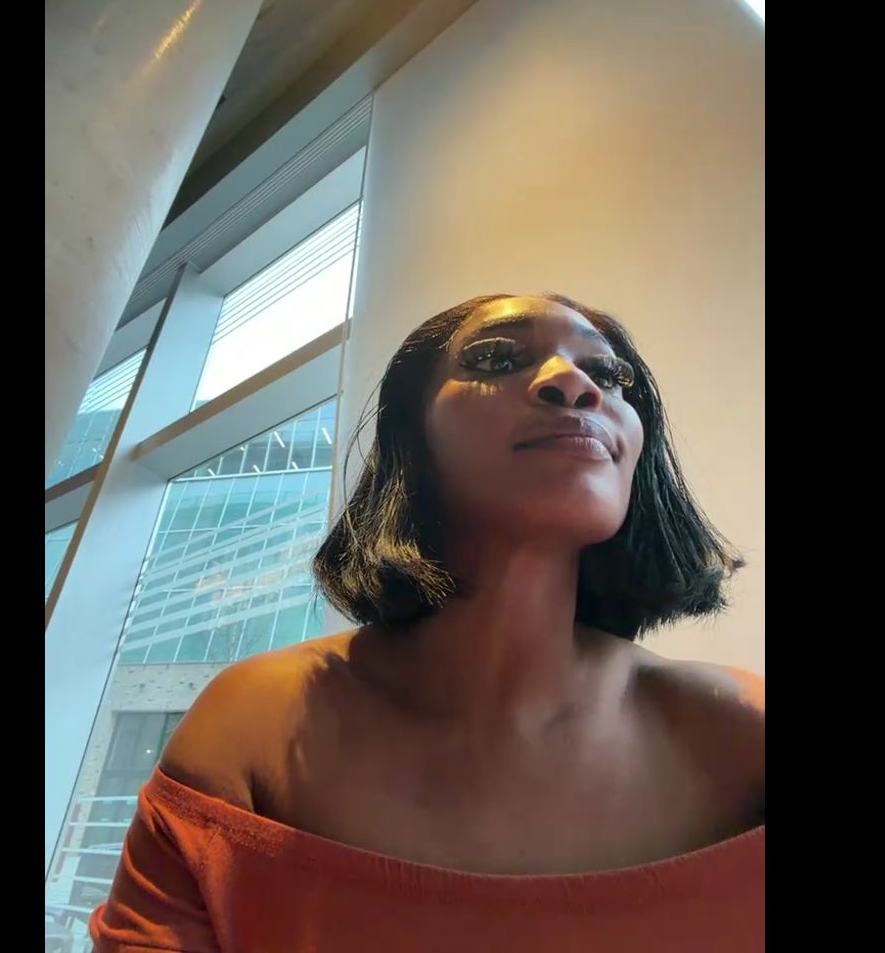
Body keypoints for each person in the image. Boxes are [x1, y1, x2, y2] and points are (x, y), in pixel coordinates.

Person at [91, 293, 764, 952]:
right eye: (497, 358)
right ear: (411, 434)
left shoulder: (742, 732)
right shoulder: (251, 727)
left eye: (609, 374)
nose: (576, 384)